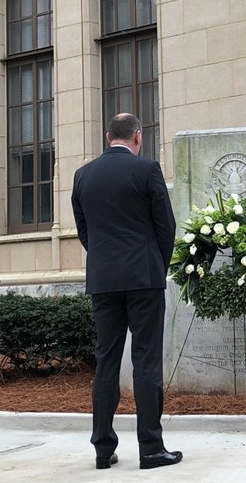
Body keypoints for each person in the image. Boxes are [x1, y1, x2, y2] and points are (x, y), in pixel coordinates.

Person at [71, 113, 183, 470]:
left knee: (106, 361)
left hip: (103, 280)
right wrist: (155, 265)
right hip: (143, 276)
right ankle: (150, 448)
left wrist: (105, 261)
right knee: (145, 361)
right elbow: (166, 227)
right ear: (138, 136)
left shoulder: (82, 175)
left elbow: (84, 230)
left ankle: (103, 449)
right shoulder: (147, 169)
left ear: (108, 137)